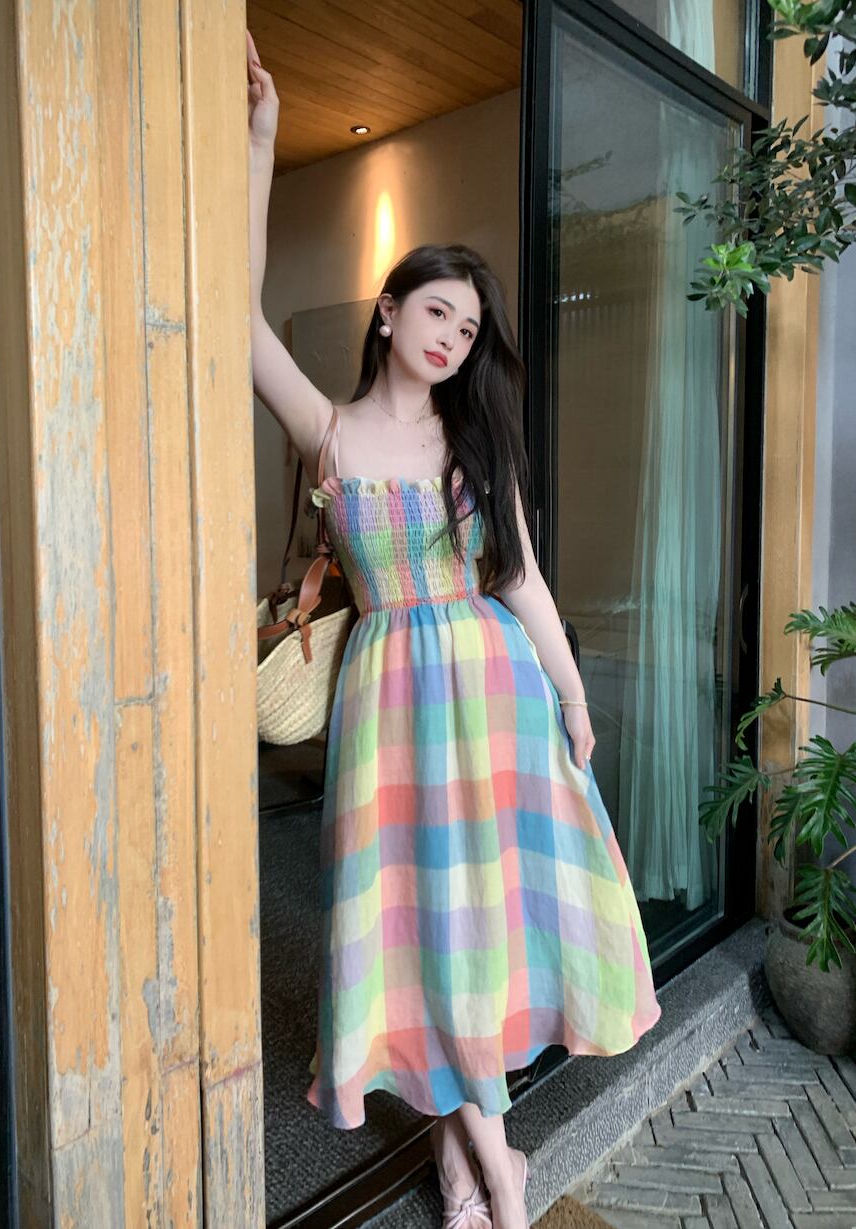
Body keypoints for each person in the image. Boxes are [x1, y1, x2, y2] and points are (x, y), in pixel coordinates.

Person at [247, 31, 661, 1229]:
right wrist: (265, 143)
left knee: (476, 923)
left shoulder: (475, 437)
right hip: (390, 700)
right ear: (387, 311)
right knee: (422, 923)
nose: (451, 338)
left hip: (492, 689)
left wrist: (572, 698)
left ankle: (476, 1162)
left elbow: (521, 580)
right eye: (436, 312)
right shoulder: (328, 431)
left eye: (469, 328)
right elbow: (230, 313)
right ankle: (493, 1160)